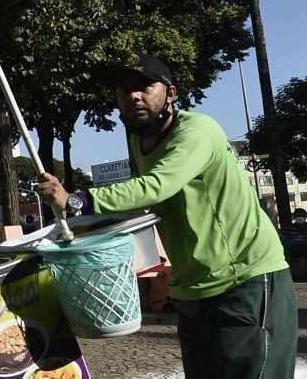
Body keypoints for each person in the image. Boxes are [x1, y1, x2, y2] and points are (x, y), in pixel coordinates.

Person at [36, 54, 295, 379]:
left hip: (245, 283)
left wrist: (77, 200)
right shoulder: (137, 140)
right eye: (123, 90)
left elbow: (157, 186)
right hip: (191, 291)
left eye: (144, 86)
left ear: (171, 92)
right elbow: (144, 205)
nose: (133, 96)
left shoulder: (197, 132)